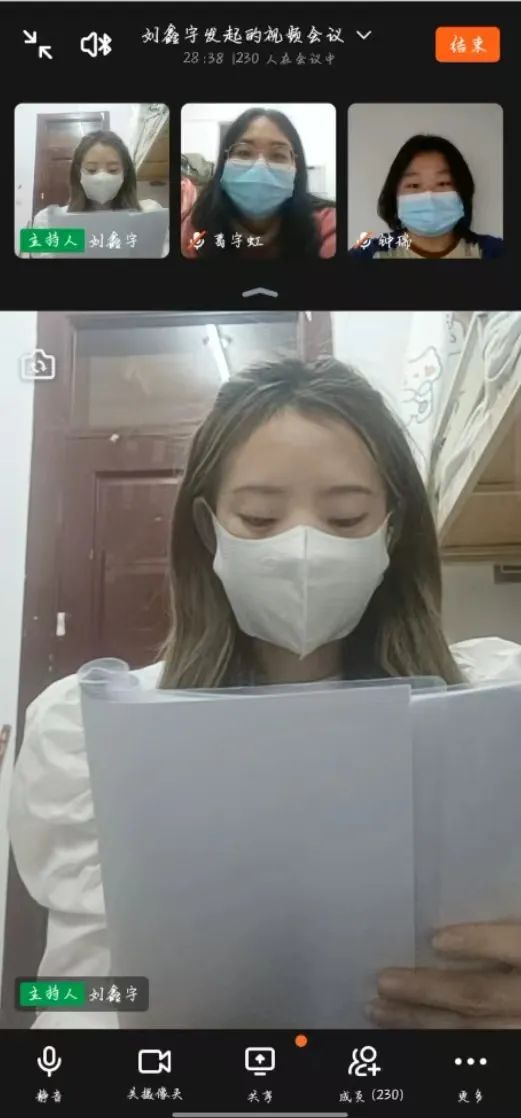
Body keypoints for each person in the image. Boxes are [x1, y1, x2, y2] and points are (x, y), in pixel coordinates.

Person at [9, 358, 521, 1029]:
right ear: (207, 529)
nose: (301, 549)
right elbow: (65, 995)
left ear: (392, 529)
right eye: (257, 517)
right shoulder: (88, 732)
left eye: (344, 518)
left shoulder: (496, 704)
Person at [181, 108, 336, 259]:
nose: (259, 168)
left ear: (297, 168)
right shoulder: (199, 224)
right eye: (244, 153)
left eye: (278, 155)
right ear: (224, 163)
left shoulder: (327, 224)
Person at [349, 135, 503, 260]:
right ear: (394, 196)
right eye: (414, 185)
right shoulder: (368, 255)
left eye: (443, 183)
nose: (429, 196)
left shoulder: (493, 252)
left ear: (462, 192)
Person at [32, 130, 164, 225]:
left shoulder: (150, 214)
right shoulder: (47, 221)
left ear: (125, 172)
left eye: (112, 170)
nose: (101, 178)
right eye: (91, 170)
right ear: (78, 172)